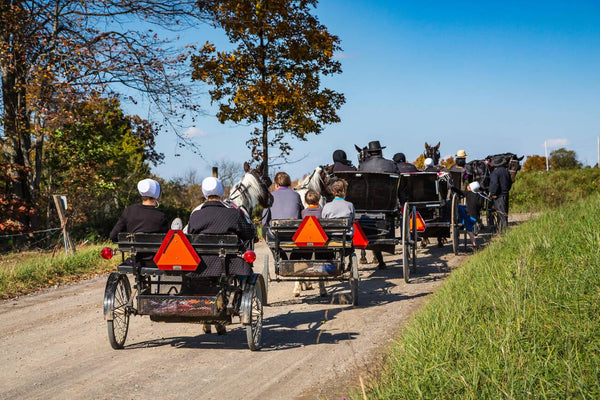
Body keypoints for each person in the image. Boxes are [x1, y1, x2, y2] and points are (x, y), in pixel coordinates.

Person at [186, 176, 257, 334]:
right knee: (245, 272)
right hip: (227, 264)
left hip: (202, 264)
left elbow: (190, 237)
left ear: (204, 194)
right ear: (222, 193)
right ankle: (224, 314)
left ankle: (207, 317)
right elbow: (247, 233)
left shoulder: (195, 215)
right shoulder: (233, 213)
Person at [109, 178, 169, 242]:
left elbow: (113, 236)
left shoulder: (129, 211)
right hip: (155, 252)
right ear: (157, 195)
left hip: (133, 250)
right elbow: (167, 240)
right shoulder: (161, 216)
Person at [451, 181, 484, 249]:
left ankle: (474, 244)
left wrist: (451, 187)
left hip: (470, 217)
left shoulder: (469, 194)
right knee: (462, 208)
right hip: (476, 217)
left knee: (469, 229)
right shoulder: (481, 196)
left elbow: (459, 191)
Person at [488, 156, 512, 233]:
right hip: (506, 194)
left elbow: (494, 184)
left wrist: (493, 193)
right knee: (505, 212)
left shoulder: (495, 173)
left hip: (499, 196)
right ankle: (503, 229)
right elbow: (510, 183)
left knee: (501, 213)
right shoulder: (506, 172)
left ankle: (504, 231)